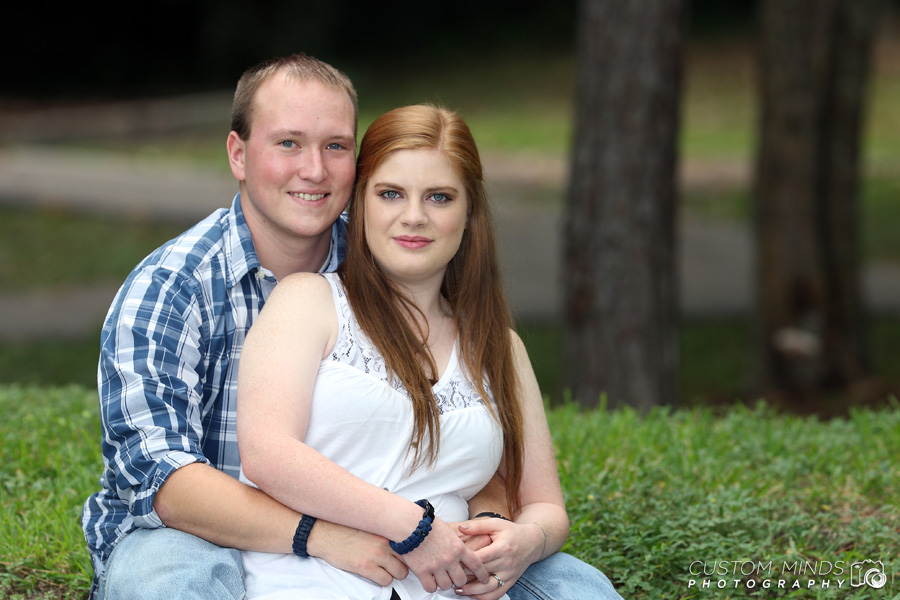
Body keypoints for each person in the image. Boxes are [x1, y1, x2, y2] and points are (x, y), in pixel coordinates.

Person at [80, 54, 622, 600]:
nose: (314, 170)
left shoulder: (397, 256)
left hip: (400, 544)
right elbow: (166, 484)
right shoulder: (173, 289)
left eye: (335, 146)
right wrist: (327, 535)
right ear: (238, 154)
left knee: (576, 585)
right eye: (288, 143)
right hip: (199, 530)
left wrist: (492, 528)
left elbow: (470, 429)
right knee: (170, 580)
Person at [237, 104, 621, 600]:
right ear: (362, 203)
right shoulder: (307, 301)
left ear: (469, 212)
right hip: (312, 582)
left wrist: (524, 542)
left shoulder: (499, 346)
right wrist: (412, 527)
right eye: (391, 193)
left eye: (439, 197)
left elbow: (545, 506)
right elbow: (268, 454)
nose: (414, 216)